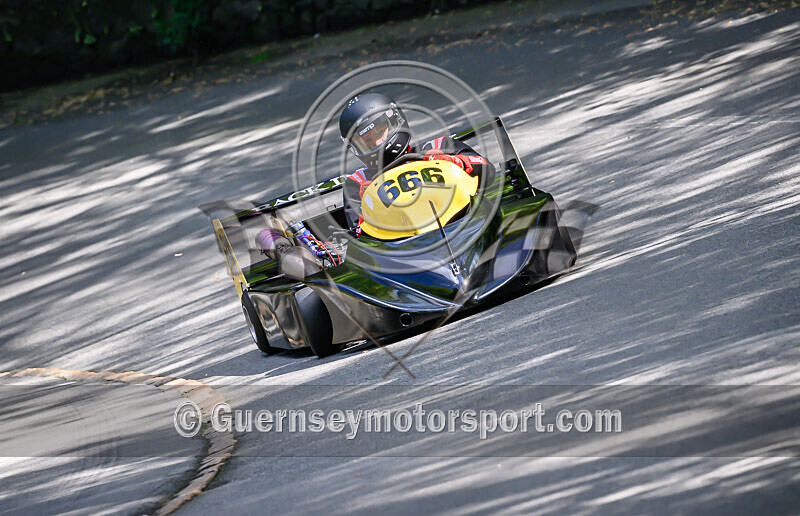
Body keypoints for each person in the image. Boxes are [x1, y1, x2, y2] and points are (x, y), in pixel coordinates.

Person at [339, 92, 494, 236]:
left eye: (380, 132)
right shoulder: (357, 184)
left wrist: (456, 162)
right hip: (406, 250)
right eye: (367, 141)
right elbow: (360, 236)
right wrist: (368, 208)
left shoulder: (439, 146)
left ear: (395, 121)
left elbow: (488, 171)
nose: (378, 142)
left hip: (464, 226)